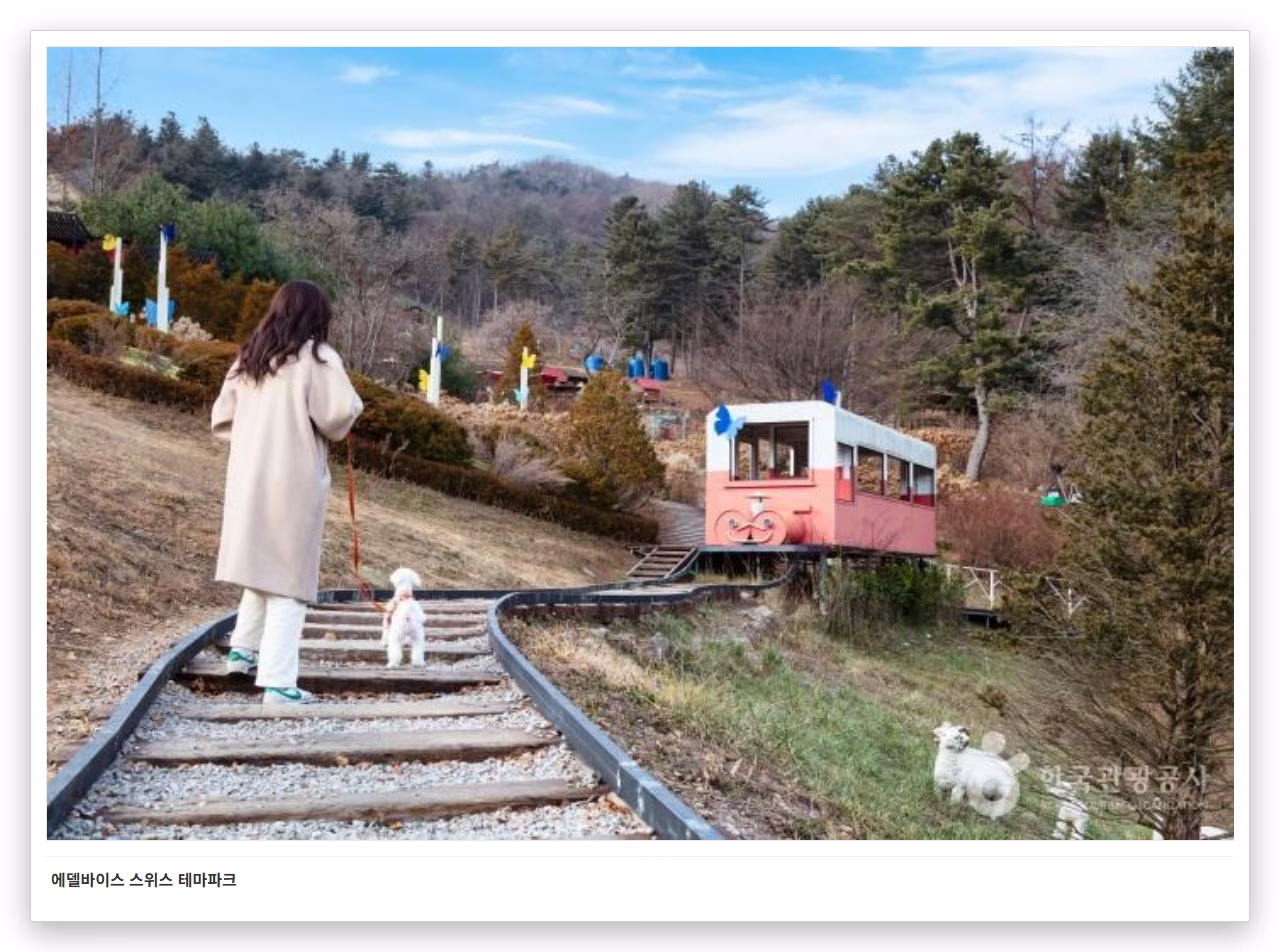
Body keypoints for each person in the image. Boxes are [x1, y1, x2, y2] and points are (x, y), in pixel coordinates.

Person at [211, 280, 364, 704]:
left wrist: (255, 440)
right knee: (290, 581)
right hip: (293, 481)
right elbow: (338, 416)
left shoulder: (250, 356)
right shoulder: (317, 357)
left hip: (247, 478)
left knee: (263, 566)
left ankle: (242, 651)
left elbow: (222, 419)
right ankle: (278, 683)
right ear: (318, 316)